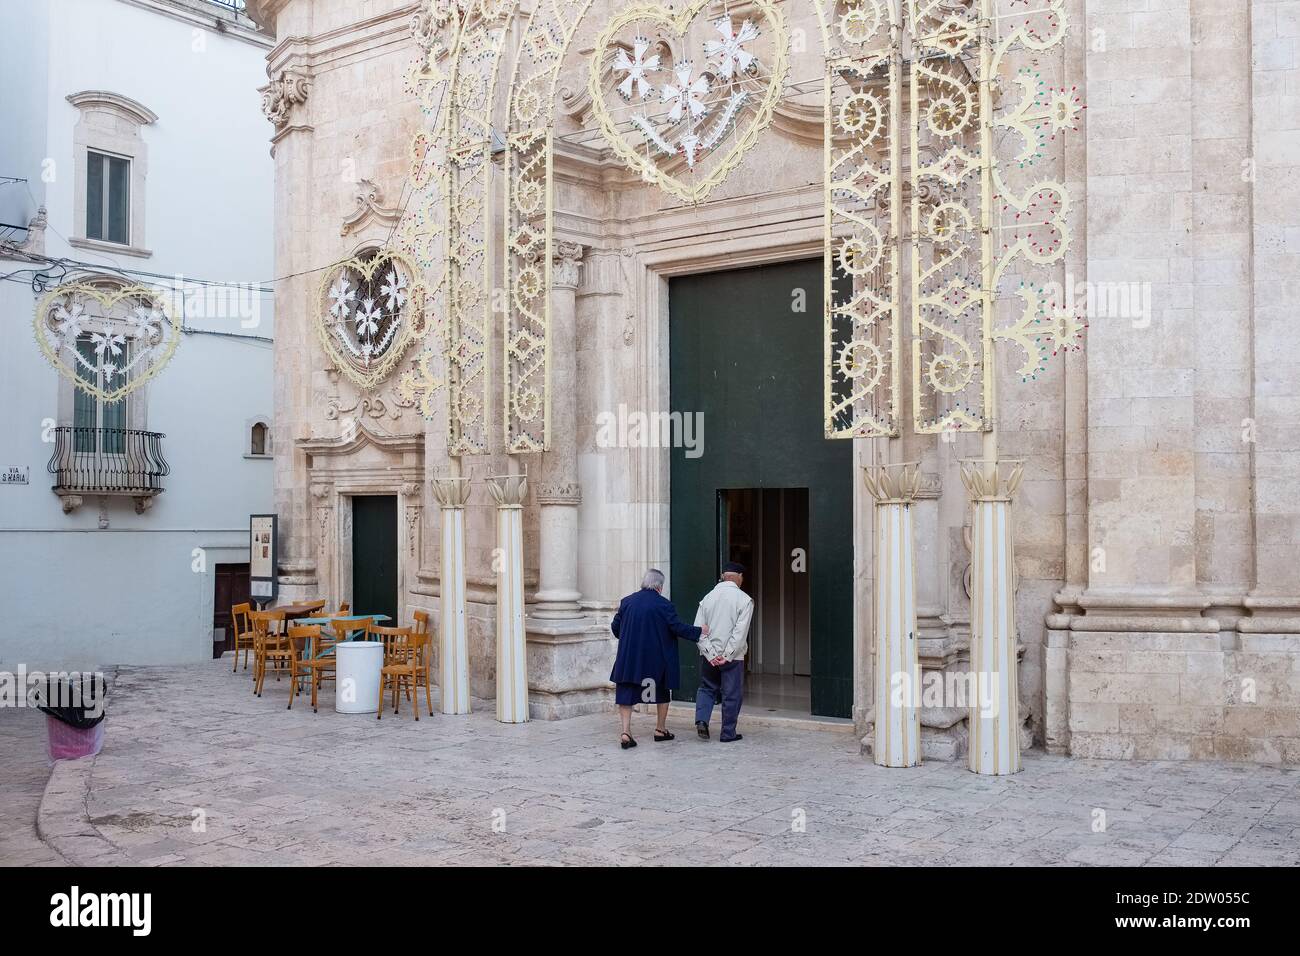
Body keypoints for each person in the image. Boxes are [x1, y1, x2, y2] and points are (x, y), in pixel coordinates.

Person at [609, 568, 706, 749]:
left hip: (629, 658)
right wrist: (699, 631)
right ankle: (660, 730)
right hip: (655, 660)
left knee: (626, 692)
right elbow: (676, 627)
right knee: (661, 691)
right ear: (659, 587)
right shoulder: (664, 605)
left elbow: (616, 628)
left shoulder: (627, 602)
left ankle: (625, 732)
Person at [693, 562, 754, 742]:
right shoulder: (744, 600)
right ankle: (728, 733)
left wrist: (711, 654)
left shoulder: (707, 598)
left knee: (706, 688)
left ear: (723, 576)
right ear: (739, 577)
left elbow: (699, 630)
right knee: (732, 694)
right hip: (733, 657)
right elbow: (739, 633)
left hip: (708, 656)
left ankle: (702, 720)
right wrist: (726, 655)